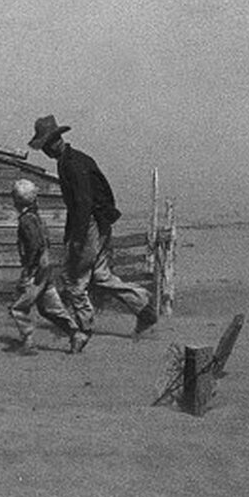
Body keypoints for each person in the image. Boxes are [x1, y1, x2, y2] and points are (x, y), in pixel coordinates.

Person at [27, 115, 157, 352]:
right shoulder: (70, 160)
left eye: (45, 146)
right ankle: (143, 306)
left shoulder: (72, 164)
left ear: (54, 141)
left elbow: (83, 203)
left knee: (74, 280)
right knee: (101, 276)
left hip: (90, 223)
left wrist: (77, 240)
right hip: (97, 222)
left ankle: (83, 330)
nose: (45, 151)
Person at [7, 179, 88, 356]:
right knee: (50, 307)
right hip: (46, 268)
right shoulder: (37, 218)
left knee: (18, 306)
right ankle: (76, 334)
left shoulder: (26, 221)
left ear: (17, 200)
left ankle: (28, 342)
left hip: (36, 270)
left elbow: (35, 246)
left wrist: (28, 271)